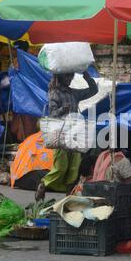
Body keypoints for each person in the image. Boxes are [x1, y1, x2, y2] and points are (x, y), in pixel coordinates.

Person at [35, 71, 98, 201]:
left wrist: (87, 77)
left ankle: (67, 200)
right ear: (60, 77)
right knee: (61, 167)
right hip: (61, 135)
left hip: (75, 135)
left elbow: (93, 90)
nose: (69, 79)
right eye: (67, 76)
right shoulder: (54, 93)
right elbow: (52, 115)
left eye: (71, 76)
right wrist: (63, 109)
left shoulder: (74, 93)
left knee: (74, 169)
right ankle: (43, 184)